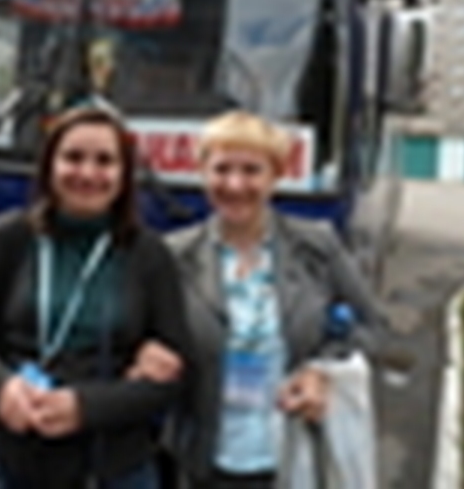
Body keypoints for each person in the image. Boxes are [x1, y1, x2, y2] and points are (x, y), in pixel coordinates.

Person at [128, 111, 387, 488]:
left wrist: (322, 371)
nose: (235, 184)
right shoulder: (173, 255)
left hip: (294, 453)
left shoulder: (316, 246)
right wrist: (146, 355)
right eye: (221, 169)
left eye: (251, 170)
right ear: (202, 172)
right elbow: (141, 337)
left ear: (276, 174)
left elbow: (373, 328)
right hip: (200, 460)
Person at [0, 107, 190, 489]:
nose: (88, 173)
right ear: (49, 167)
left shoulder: (150, 255)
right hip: (14, 463)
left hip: (116, 469)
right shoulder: (7, 239)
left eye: (105, 161)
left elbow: (174, 375)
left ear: (124, 174)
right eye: (73, 157)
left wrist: (86, 408)